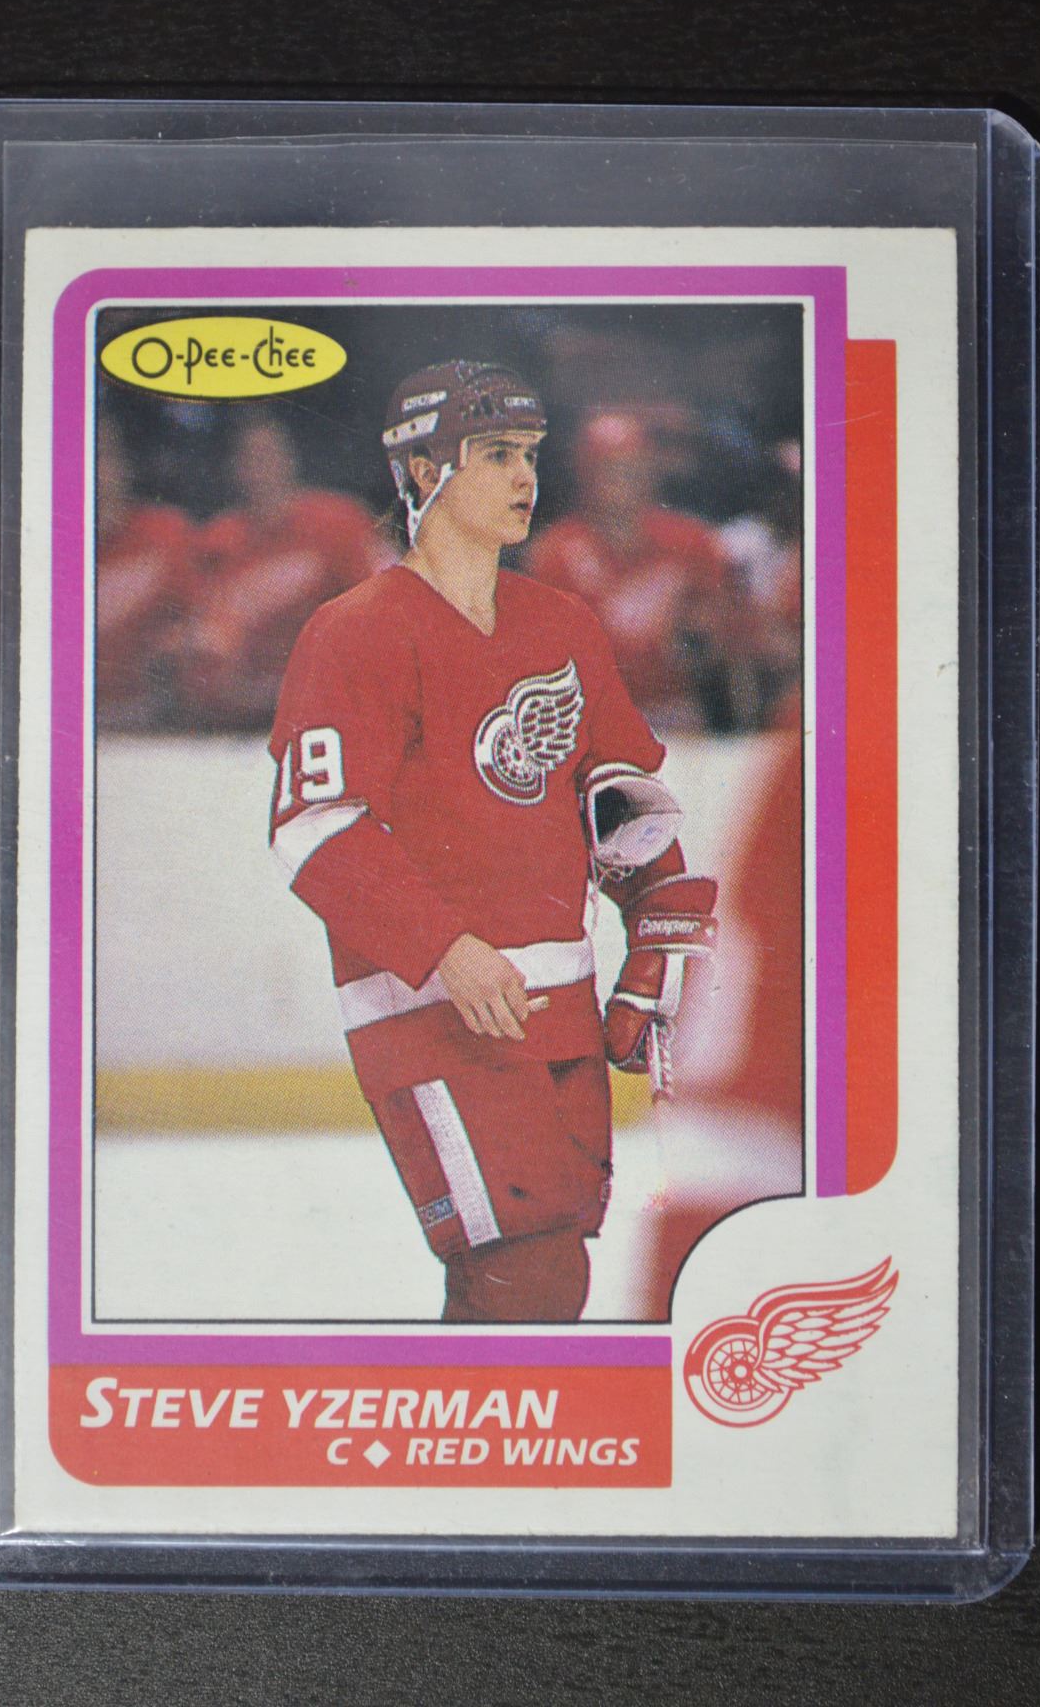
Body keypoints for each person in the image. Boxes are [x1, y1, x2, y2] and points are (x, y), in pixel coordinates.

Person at [266, 361, 717, 1323]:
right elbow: (315, 826)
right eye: (499, 454)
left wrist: (659, 927)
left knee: (530, 1286)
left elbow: (619, 799)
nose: (526, 477)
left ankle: (454, 1424)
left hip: (562, 1008)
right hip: (436, 1013)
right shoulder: (355, 632)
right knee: (530, 1276)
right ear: (426, 472)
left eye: (532, 456)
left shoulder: (561, 624)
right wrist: (447, 951)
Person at [528, 410, 762, 730]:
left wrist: (702, 635)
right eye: (609, 469)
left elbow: (734, 643)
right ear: (586, 476)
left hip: (673, 713)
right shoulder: (555, 552)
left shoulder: (690, 540)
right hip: (590, 717)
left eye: (633, 467)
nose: (624, 479)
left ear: (651, 470)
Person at [172, 411, 390, 729]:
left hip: (329, 708)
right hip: (244, 718)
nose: (261, 469)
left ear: (290, 458)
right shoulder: (219, 540)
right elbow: (199, 645)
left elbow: (390, 606)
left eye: (269, 454)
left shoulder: (339, 521)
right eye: (250, 458)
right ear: (235, 469)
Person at [95, 413, 197, 731]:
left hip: (149, 723)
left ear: (124, 466)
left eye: (103, 455)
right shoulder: (43, 544)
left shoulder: (166, 532)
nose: (93, 468)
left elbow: (202, 624)